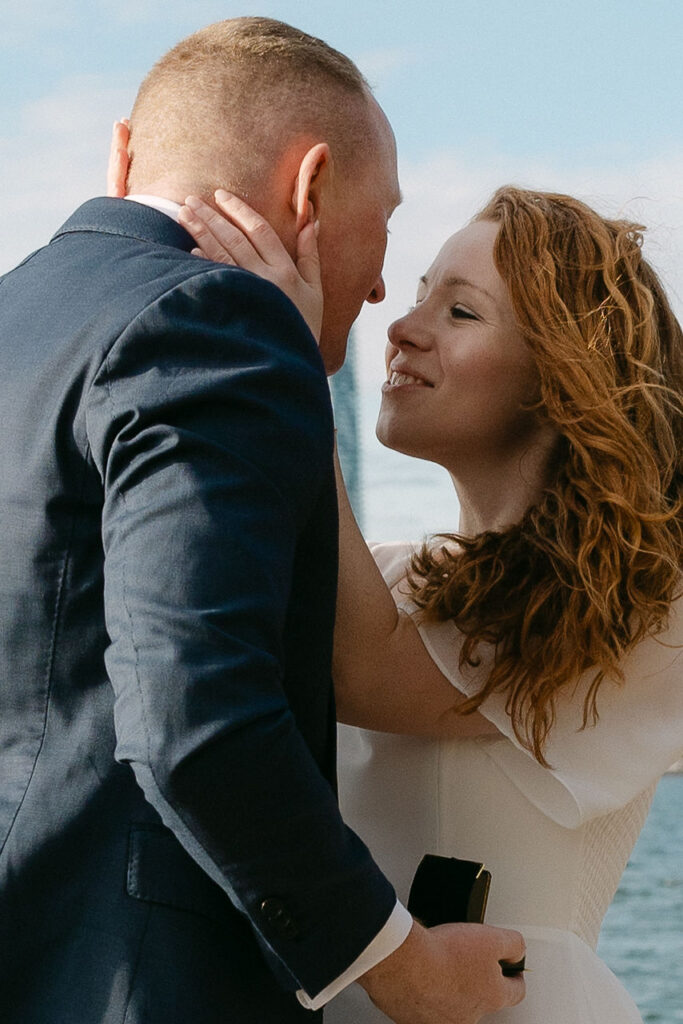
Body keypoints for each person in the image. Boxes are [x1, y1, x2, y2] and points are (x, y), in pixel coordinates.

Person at [0, 16, 526, 1024]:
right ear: (310, 188)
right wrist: (403, 966)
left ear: (121, 156)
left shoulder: (20, 316)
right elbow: (194, 713)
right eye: (383, 226)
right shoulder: (220, 321)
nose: (377, 287)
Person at [165, 182, 683, 1023]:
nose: (402, 328)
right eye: (414, 298)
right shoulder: (390, 576)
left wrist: (282, 370)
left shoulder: (646, 608)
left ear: (559, 380)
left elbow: (369, 673)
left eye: (461, 313)